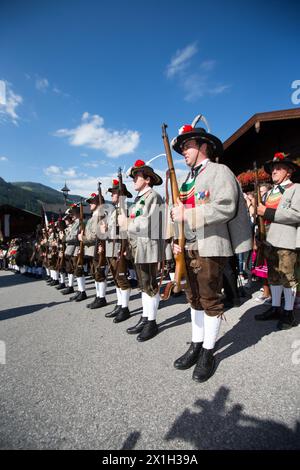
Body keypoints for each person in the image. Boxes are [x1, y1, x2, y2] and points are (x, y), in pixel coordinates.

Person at [170, 122, 252, 382]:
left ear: (203, 146)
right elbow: (178, 216)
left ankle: (208, 351)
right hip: (189, 246)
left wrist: (187, 213)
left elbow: (225, 206)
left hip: (211, 244)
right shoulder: (186, 180)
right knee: (193, 298)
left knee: (210, 299)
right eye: (182, 147)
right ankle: (196, 343)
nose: (184, 150)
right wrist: (176, 239)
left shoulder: (219, 171)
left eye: (188, 145)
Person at [118, 159, 164, 341]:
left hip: (149, 247)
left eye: (137, 176)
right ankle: (145, 317)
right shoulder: (140, 200)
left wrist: (127, 223)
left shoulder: (153, 196)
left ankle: (152, 323)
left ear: (147, 179)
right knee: (143, 285)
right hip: (139, 247)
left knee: (150, 286)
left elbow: (147, 223)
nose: (134, 180)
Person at [255, 152, 300, 329]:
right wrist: (258, 236)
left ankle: (288, 313)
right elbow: (261, 219)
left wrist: (267, 212)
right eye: (273, 168)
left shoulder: (296, 188)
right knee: (273, 276)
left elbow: (297, 214)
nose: (274, 171)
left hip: (286, 240)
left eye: (278, 168)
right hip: (268, 241)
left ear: (288, 172)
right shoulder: (269, 193)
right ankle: (275, 307)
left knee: (287, 277)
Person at [102, 178, 133, 322]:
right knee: (116, 279)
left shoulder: (124, 210)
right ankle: (120, 304)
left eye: (114, 193)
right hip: (110, 249)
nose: (112, 195)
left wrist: (107, 231)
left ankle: (125, 308)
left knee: (122, 279)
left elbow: (125, 231)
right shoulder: (113, 211)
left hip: (118, 249)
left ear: (121, 194)